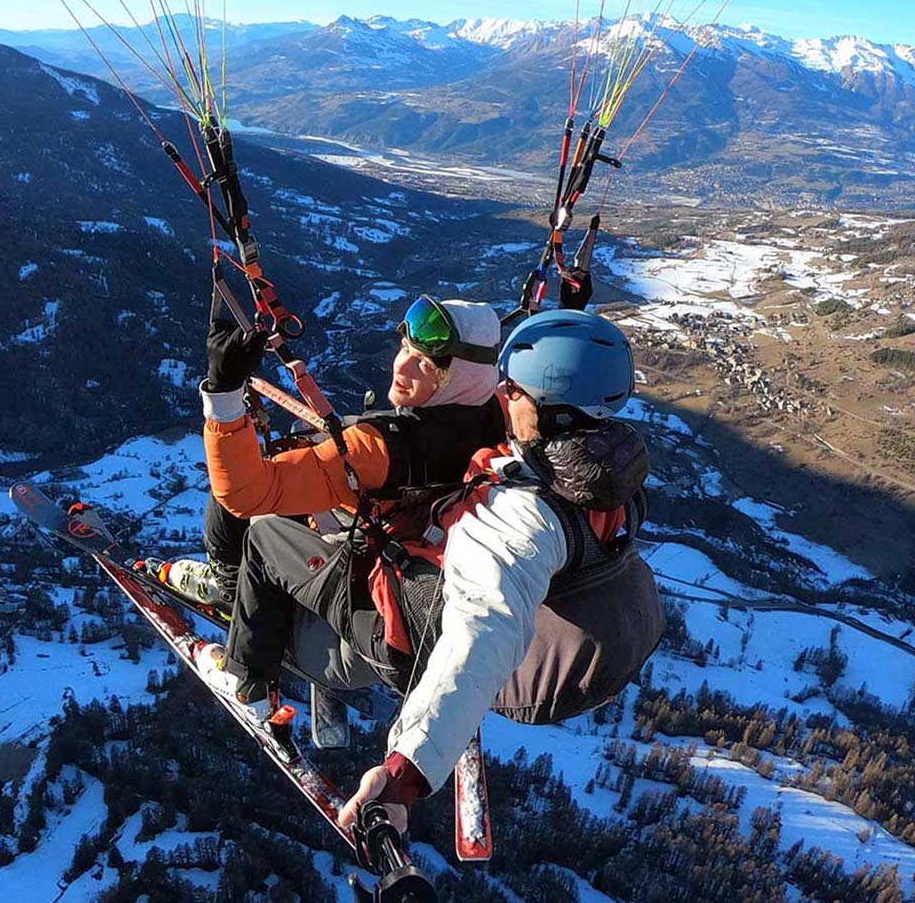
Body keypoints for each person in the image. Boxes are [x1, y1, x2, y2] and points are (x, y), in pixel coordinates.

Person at [197, 306, 665, 836]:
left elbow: (481, 635)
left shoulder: (514, 520)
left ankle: (249, 676)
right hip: (449, 583)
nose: (501, 394)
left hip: (402, 634)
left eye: (512, 390)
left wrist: (403, 776)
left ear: (551, 412)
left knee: (262, 532)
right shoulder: (607, 476)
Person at [162, 294, 506, 607]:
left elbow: (242, 493)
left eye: (425, 365)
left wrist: (223, 395)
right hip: (412, 525)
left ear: (460, 378)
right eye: (405, 348)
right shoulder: (497, 412)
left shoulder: (377, 447)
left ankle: (229, 585)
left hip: (367, 542)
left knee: (232, 500)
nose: (401, 366)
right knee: (305, 440)